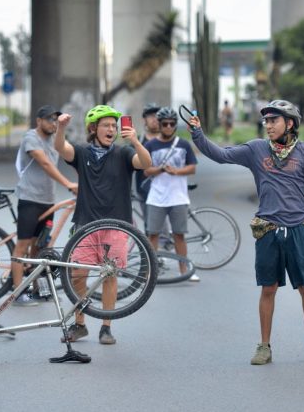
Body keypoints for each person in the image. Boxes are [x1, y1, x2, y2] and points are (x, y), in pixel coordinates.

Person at [189, 99, 304, 365]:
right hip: (268, 230)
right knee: (268, 288)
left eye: (274, 121)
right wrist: (197, 133)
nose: (268, 125)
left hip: (300, 229)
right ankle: (264, 346)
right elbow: (221, 155)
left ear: (290, 123)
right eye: (267, 121)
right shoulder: (256, 149)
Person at [54, 105, 151, 345]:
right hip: (86, 224)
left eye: (114, 126)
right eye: (106, 125)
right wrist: (61, 128)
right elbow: (60, 148)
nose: (111, 129)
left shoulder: (124, 153)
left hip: (117, 225)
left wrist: (136, 142)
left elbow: (146, 163)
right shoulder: (83, 152)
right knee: (77, 275)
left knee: (109, 276)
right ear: (93, 128)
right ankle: (80, 324)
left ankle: (106, 327)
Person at [11, 105, 78, 306]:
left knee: (39, 247)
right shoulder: (31, 137)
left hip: (47, 200)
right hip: (30, 198)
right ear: (38, 121)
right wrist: (68, 184)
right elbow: (45, 163)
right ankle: (18, 292)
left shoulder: (55, 139)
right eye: (49, 119)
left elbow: (72, 157)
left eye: (55, 120)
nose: (52, 123)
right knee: (22, 246)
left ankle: (38, 289)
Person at [144, 107, 199, 282]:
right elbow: (145, 171)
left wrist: (177, 172)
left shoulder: (183, 144)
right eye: (165, 123)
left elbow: (192, 167)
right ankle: (150, 272)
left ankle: (184, 270)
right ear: (159, 125)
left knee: (179, 234)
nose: (168, 127)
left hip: (178, 197)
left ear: (176, 125)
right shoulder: (150, 145)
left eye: (172, 124)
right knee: (152, 234)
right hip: (156, 197)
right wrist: (160, 169)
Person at [133, 103, 161, 233]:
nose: (155, 118)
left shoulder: (169, 140)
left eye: (157, 115)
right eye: (151, 116)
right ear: (145, 119)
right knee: (149, 227)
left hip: (169, 189)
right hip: (145, 190)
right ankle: (149, 253)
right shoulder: (138, 142)